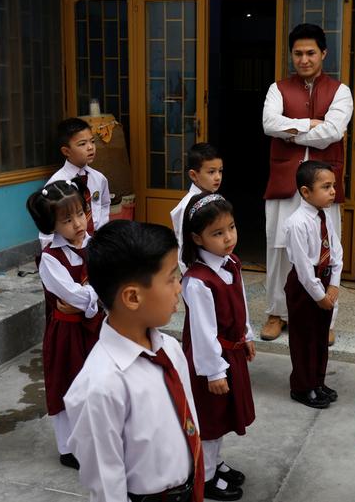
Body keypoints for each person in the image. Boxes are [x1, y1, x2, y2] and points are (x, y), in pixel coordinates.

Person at [64, 220, 205, 502]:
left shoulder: (170, 351)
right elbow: (107, 485)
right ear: (132, 297)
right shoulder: (100, 387)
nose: (179, 287)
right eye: (171, 278)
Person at [261, 23, 353, 343]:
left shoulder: (340, 91)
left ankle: (325, 318)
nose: (304, 59)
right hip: (285, 180)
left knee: (325, 249)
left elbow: (333, 131)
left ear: (323, 53)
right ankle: (277, 312)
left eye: (310, 52)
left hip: (324, 184)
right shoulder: (278, 88)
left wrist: (291, 130)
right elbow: (269, 123)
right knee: (279, 249)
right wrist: (309, 123)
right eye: (298, 53)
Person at [180, 193, 256, 501]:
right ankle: (205, 476)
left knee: (224, 414)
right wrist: (213, 372)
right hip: (210, 360)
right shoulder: (198, 281)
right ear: (197, 237)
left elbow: (242, 304)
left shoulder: (232, 263)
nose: (228, 238)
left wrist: (247, 335)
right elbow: (202, 332)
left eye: (231, 228)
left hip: (230, 352)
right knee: (210, 418)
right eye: (217, 233)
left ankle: (215, 461)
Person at [26, 180, 104, 470]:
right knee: (66, 380)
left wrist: (89, 298)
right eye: (67, 219)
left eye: (81, 214)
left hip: (95, 327)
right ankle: (68, 446)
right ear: (51, 225)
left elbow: (104, 284)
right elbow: (72, 296)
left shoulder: (95, 245)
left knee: (96, 382)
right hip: (66, 332)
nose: (78, 223)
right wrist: (93, 296)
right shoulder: (50, 259)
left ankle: (94, 437)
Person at [283, 161, 342, 409]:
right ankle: (302, 386)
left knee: (320, 335)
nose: (332, 192)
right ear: (306, 192)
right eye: (326, 186)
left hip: (325, 280)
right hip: (304, 286)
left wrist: (335, 285)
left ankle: (317, 382)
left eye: (333, 186)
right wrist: (319, 295)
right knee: (304, 337)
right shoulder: (297, 223)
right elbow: (304, 267)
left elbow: (336, 250)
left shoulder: (324, 215)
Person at [41, 117, 110, 246]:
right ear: (66, 151)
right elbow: (47, 225)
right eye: (82, 144)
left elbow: (104, 204)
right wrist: (52, 252)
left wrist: (102, 233)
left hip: (97, 244)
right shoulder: (56, 183)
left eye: (92, 141)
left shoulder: (99, 178)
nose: (90, 147)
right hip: (69, 247)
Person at [171, 143, 223, 274]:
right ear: (194, 175)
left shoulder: (216, 199)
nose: (217, 177)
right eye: (211, 172)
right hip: (199, 274)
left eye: (220, 171)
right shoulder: (186, 206)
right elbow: (183, 246)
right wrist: (191, 277)